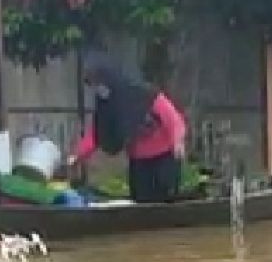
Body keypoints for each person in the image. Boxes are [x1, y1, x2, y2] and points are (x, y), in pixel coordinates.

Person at [68, 56, 187, 204]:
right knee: (141, 205)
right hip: (139, 163)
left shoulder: (144, 94)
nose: (98, 89)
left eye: (98, 83)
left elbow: (173, 118)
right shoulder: (107, 106)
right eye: (93, 86)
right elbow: (97, 134)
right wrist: (77, 156)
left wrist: (177, 141)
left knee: (165, 202)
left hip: (164, 158)